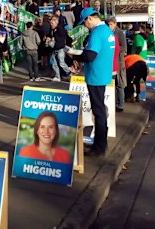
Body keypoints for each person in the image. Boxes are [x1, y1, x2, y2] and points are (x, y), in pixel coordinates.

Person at [68, 8, 115, 157]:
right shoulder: (107, 31)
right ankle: (100, 143)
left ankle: (99, 147)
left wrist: (74, 55)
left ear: (89, 19)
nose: (84, 26)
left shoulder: (97, 32)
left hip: (95, 76)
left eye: (84, 23)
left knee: (98, 111)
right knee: (100, 110)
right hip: (103, 74)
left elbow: (90, 55)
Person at [107, 16, 127, 112]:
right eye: (108, 24)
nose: (109, 26)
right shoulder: (107, 32)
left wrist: (114, 49)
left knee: (119, 84)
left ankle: (120, 105)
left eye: (111, 24)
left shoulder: (119, 33)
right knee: (110, 84)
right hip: (110, 62)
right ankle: (111, 103)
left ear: (115, 24)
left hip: (118, 61)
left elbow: (124, 47)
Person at [46, 16, 71, 82]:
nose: (51, 24)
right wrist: (48, 37)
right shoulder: (52, 29)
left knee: (61, 63)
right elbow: (50, 35)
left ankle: (69, 72)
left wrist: (53, 39)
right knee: (53, 62)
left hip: (60, 48)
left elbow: (62, 38)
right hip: (54, 48)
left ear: (56, 23)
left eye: (52, 23)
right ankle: (57, 76)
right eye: (51, 23)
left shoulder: (60, 29)